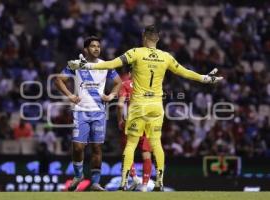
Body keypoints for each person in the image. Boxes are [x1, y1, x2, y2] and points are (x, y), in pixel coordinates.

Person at [68, 25, 223, 191]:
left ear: (144, 37)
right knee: (156, 144)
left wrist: (87, 66)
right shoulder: (166, 56)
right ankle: (160, 182)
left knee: (131, 144)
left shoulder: (136, 52)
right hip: (156, 106)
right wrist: (205, 78)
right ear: (158, 38)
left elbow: (111, 63)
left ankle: (124, 182)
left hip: (139, 105)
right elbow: (185, 72)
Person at [55, 36, 122, 191]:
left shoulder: (106, 65)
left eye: (98, 46)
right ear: (85, 49)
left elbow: (118, 83)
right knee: (78, 147)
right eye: (93, 46)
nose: (96, 48)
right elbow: (58, 80)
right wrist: (70, 95)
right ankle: (79, 175)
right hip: (80, 112)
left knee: (97, 149)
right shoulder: (77, 64)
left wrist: (111, 96)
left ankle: (96, 182)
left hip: (99, 112)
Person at [117, 71, 152, 192]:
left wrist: (120, 120)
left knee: (128, 150)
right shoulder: (149, 85)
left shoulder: (126, 84)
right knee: (146, 153)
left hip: (132, 121)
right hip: (148, 122)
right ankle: (144, 185)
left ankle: (134, 178)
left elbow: (120, 105)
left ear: (130, 73)